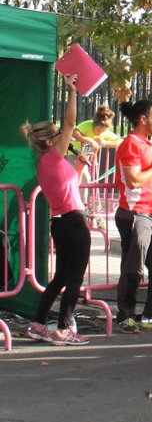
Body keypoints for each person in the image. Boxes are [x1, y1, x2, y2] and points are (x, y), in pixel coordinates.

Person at [23, 73, 92, 345]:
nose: (64, 136)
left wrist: (80, 166)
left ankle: (38, 323)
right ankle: (64, 329)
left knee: (61, 276)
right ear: (50, 142)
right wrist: (72, 91)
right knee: (74, 278)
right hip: (73, 221)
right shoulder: (53, 156)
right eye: (58, 134)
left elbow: (68, 186)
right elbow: (70, 123)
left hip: (62, 221)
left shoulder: (47, 163)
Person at [114, 98, 152, 332]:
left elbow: (142, 177)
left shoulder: (144, 144)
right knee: (134, 268)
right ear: (143, 119)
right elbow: (133, 180)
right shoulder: (131, 144)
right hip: (135, 214)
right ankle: (126, 316)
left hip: (150, 213)